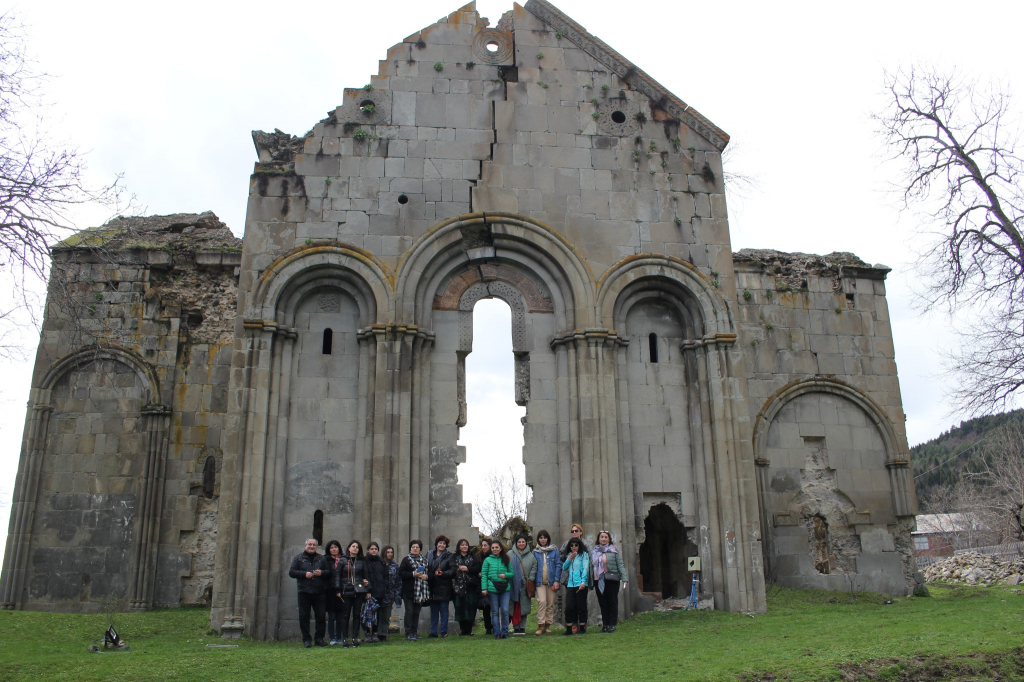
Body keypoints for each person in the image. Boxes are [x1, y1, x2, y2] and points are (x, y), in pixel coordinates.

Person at [287, 538, 332, 647]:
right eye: (309, 544)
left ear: (316, 547)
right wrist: (304, 574)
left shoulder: (322, 558)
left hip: (319, 591)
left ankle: (319, 639)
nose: (311, 546)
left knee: (321, 617)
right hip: (304, 591)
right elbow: (292, 572)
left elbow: (329, 572)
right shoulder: (298, 558)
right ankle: (306, 639)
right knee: (304, 616)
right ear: (305, 545)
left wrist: (321, 573)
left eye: (314, 545)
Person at [592, 530, 628, 633]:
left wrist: (624, 578)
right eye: (602, 537)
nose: (603, 539)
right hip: (598, 579)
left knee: (612, 602)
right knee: (603, 603)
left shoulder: (613, 550)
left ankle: (612, 624)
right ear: (598, 539)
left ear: (609, 539)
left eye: (605, 537)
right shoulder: (594, 551)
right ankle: (605, 624)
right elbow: (592, 566)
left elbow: (620, 564)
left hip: (611, 579)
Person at [338, 540, 369, 647]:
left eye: (357, 547)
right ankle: (345, 638)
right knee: (346, 615)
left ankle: (355, 637)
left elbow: (366, 576)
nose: (355, 548)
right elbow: (338, 576)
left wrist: (366, 585)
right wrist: (338, 590)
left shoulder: (362, 561)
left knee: (356, 615)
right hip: (346, 590)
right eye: (353, 546)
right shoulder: (343, 560)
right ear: (349, 548)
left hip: (359, 591)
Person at [480, 538, 513, 639]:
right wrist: (484, 588)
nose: (495, 549)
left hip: (505, 588)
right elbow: (484, 575)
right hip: (492, 588)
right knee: (494, 611)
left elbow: (512, 573)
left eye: (496, 548)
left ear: (500, 548)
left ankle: (505, 632)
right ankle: (497, 633)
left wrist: (506, 575)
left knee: (504, 610)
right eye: (493, 548)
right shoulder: (487, 560)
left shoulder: (506, 559)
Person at [399, 539, 430, 641]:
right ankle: (408, 633)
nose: (415, 549)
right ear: (410, 549)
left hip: (420, 591)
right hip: (409, 591)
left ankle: (414, 632)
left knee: (417, 612)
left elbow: (429, 573)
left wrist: (426, 576)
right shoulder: (406, 560)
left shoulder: (424, 561)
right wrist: (413, 574)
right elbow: (401, 573)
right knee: (409, 612)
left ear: (420, 549)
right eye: (413, 547)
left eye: (417, 547)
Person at [532, 529, 561, 635]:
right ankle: (540, 625)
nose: (543, 540)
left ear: (548, 539)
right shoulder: (535, 552)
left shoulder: (554, 550)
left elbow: (558, 565)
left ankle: (548, 625)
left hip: (551, 581)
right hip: (539, 582)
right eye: (541, 538)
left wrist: (557, 580)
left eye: (544, 538)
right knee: (542, 602)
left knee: (550, 603)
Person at [425, 535, 455, 638]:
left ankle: (443, 631)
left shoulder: (449, 556)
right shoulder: (429, 554)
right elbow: (426, 568)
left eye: (444, 544)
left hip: (444, 586)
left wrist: (443, 573)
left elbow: (453, 571)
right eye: (440, 543)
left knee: (443, 610)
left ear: (446, 546)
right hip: (432, 585)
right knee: (433, 610)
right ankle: (433, 632)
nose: (441, 545)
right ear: (436, 544)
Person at [561, 536, 592, 635]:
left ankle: (582, 626)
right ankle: (569, 627)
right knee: (569, 606)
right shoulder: (569, 555)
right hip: (571, 584)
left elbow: (585, 568)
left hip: (581, 584)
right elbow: (564, 567)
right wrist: (569, 559)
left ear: (579, 546)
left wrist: (583, 581)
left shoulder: (584, 555)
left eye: (576, 545)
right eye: (572, 545)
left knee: (581, 606)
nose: (574, 547)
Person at [509, 534, 537, 636]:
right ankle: (516, 627)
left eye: (523, 542)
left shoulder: (531, 556)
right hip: (513, 585)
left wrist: (530, 579)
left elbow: (534, 568)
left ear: (526, 543)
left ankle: (522, 627)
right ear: (516, 543)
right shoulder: (510, 554)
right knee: (514, 606)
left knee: (524, 607)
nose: (521, 544)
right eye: (519, 542)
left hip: (525, 585)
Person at [451, 538, 479, 636]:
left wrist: (467, 569)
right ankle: (463, 629)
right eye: (462, 545)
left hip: (470, 586)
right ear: (459, 546)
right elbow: (451, 568)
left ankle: (469, 629)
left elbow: (477, 568)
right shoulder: (454, 557)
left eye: (466, 545)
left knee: (471, 609)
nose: (464, 546)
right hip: (459, 587)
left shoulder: (472, 557)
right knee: (460, 608)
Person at [363, 541, 388, 643]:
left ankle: (375, 633)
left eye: (375, 549)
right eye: (372, 549)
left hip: (380, 591)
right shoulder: (364, 561)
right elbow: (365, 576)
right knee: (368, 614)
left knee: (378, 615)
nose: (374, 551)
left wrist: (384, 586)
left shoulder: (381, 562)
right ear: (368, 550)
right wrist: (367, 590)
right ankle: (368, 634)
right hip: (369, 592)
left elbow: (386, 576)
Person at [323, 540, 345, 645]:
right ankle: (332, 638)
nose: (334, 549)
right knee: (331, 616)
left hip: (341, 590)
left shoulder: (344, 560)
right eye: (331, 548)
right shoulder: (325, 560)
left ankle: (338, 637)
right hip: (330, 590)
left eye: (335, 547)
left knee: (340, 616)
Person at [378, 545, 402, 642]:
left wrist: (396, 595)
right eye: (388, 552)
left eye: (391, 552)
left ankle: (384, 634)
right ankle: (377, 633)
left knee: (386, 616)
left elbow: (398, 581)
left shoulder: (395, 566)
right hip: (379, 593)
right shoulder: (379, 564)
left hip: (390, 594)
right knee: (378, 615)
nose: (390, 554)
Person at [476, 538, 493, 635]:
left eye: (485, 545)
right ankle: (488, 628)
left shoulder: (493, 556)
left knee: (493, 606)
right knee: (485, 607)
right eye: (482, 545)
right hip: (482, 584)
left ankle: (495, 626)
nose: (483, 547)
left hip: (492, 583)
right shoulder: (479, 556)